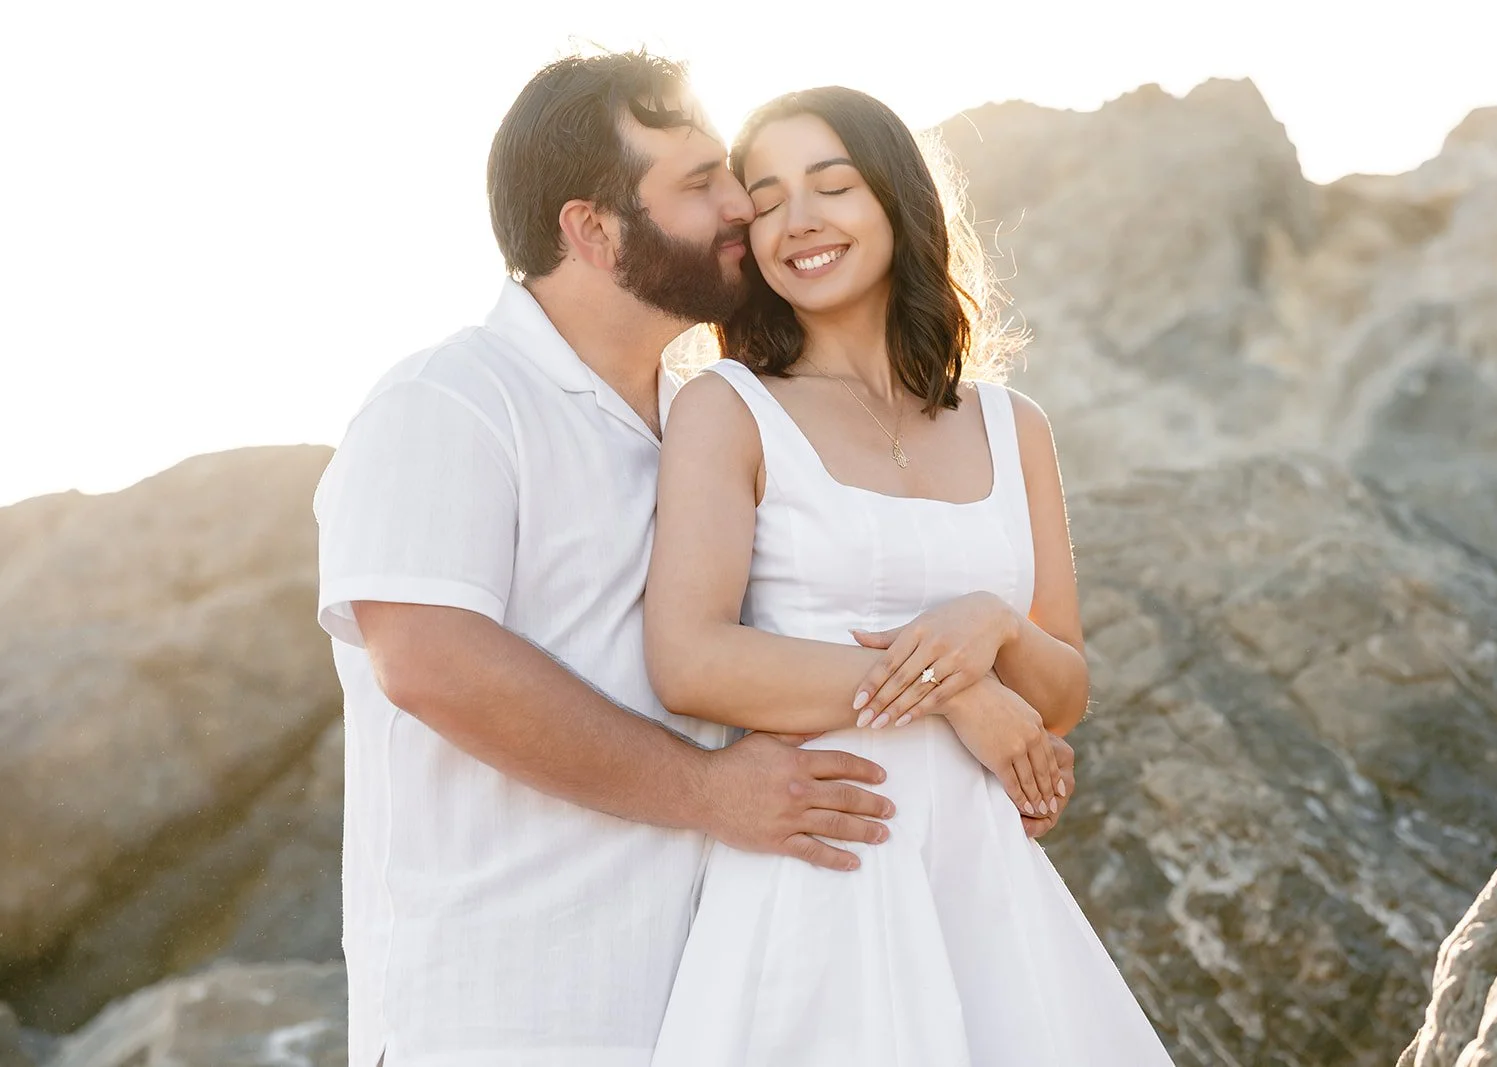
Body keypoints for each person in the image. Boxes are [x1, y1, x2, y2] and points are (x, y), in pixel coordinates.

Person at [312, 53, 1072, 1067]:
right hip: (498, 1003)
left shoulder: (689, 420)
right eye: (702, 184)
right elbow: (428, 662)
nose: (739, 211)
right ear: (592, 228)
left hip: (692, 982)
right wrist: (720, 788)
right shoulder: (452, 399)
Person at [644, 87, 1174, 1066]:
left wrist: (993, 629)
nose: (798, 218)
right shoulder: (728, 407)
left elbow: (1059, 693)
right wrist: (958, 692)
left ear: (894, 200)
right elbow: (690, 658)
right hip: (823, 871)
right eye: (764, 200)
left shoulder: (1015, 426)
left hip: (988, 891)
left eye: (831, 185)